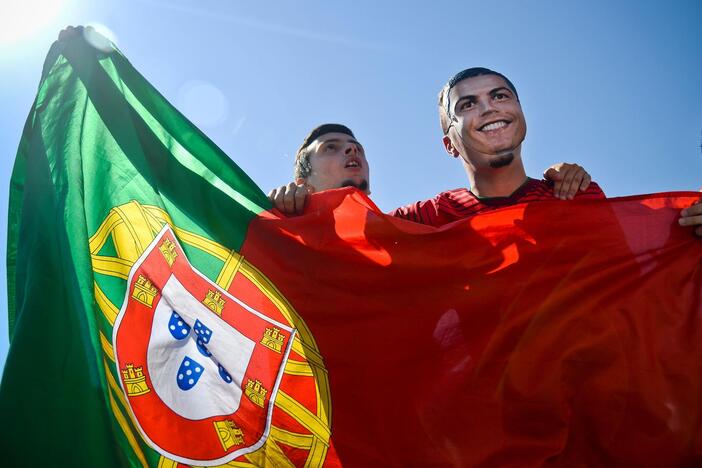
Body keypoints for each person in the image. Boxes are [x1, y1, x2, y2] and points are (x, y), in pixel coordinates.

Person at [269, 123, 593, 216]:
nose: (351, 149)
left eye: (356, 148)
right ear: (302, 182)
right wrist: (274, 217)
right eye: (331, 148)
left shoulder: (407, 228)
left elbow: (491, 211)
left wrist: (555, 185)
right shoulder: (283, 234)